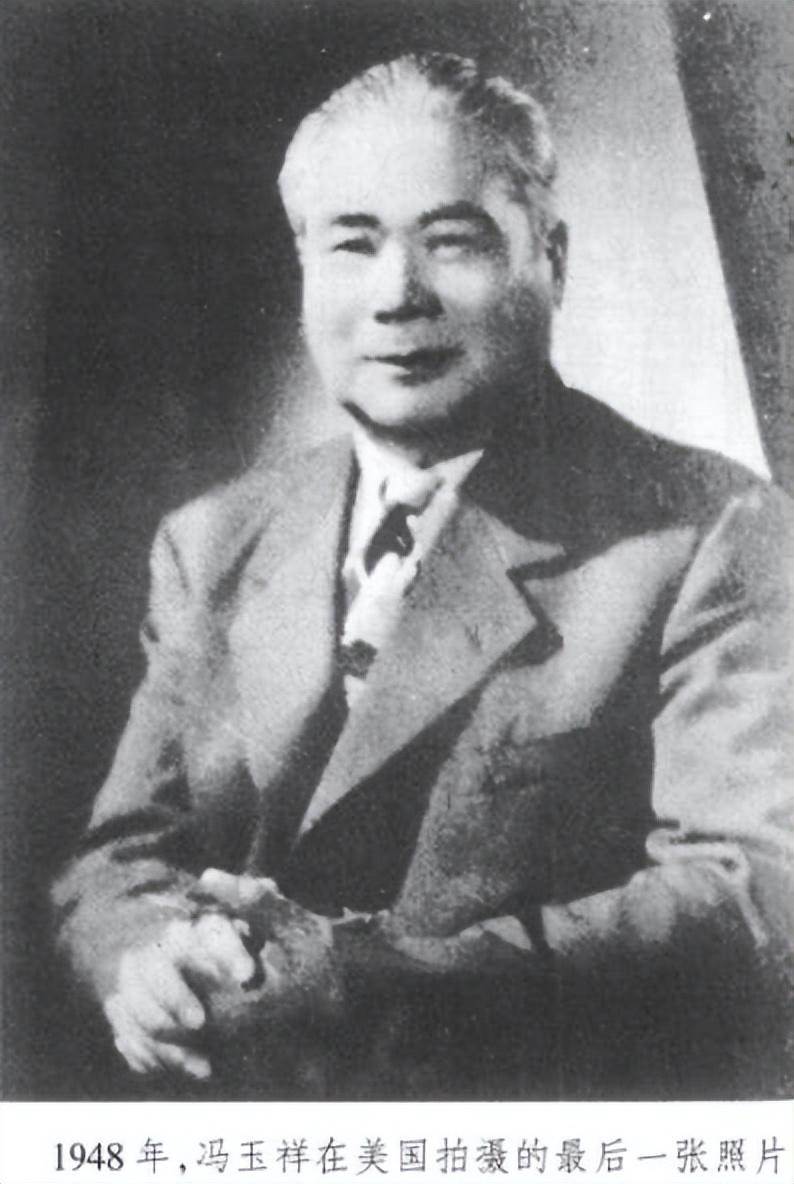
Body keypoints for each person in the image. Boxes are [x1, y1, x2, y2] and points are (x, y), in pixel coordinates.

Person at [52, 52, 793, 1100]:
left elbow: (752, 898)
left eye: (451, 240)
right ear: (305, 268)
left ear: (551, 259)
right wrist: (144, 965)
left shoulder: (708, 531)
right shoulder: (210, 541)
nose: (396, 295)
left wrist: (365, 985)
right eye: (351, 244)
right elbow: (120, 858)